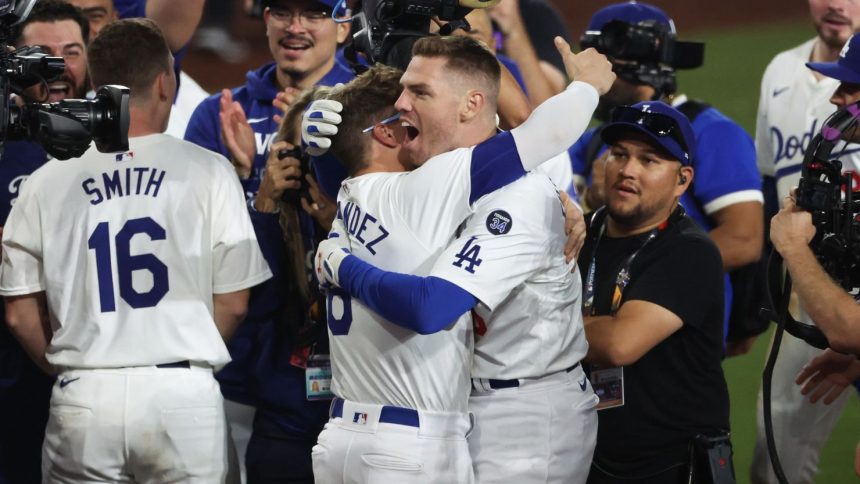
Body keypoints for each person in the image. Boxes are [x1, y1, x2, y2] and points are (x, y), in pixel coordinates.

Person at [307, 35, 613, 483]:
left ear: (471, 105)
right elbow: (364, 177)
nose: (401, 102)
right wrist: (325, 153)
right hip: (457, 407)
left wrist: (586, 86)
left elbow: (433, 306)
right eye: (403, 90)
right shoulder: (429, 178)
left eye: (419, 92)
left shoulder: (514, 192)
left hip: (523, 414)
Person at [0, 18, 271, 483]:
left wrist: (76, 365)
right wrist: (185, 353)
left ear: (96, 83)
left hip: (84, 394)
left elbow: (19, 313)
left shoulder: (47, 179)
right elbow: (235, 303)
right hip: (182, 396)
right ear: (165, 83)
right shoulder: (208, 170)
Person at [183, 0, 353, 472]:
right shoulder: (220, 114)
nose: (295, 27)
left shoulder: (371, 107)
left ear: (343, 27)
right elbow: (194, 242)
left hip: (356, 370)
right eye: (283, 11)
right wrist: (250, 186)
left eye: (314, 14)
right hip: (243, 365)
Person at [568, 1, 764, 355]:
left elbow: (744, 238)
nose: (586, 74)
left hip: (667, 327)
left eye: (596, 60)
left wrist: (646, 285)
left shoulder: (713, 132)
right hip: (595, 327)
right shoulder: (596, 139)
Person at [577, 101, 731, 483]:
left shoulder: (689, 252)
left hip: (673, 467)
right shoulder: (582, 232)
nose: (627, 170)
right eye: (619, 155)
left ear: (683, 180)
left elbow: (619, 344)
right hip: (589, 456)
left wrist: (532, 320)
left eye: (649, 160)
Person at [752, 1, 860, 481]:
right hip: (825, 299)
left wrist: (793, 246)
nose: (838, 100)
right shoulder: (781, 71)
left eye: (852, 88)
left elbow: (848, 330)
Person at [0, 2, 91, 481]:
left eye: (72, 52)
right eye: (42, 54)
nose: (58, 67)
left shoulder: (115, 143)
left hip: (93, 372)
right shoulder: (4, 141)